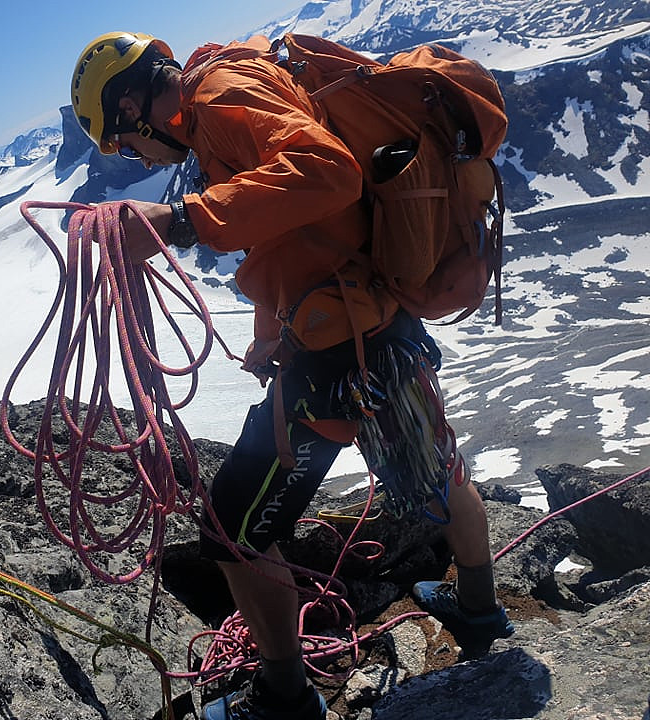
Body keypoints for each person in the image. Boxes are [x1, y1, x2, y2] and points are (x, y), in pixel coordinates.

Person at [69, 31, 514, 720]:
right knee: (436, 468)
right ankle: (481, 612)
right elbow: (303, 229)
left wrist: (184, 219)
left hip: (339, 354)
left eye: (126, 142)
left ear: (131, 104)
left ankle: (284, 698)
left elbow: (326, 172)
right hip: (372, 321)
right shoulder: (234, 91)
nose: (136, 155)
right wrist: (270, 331)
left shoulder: (219, 96)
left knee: (231, 532)